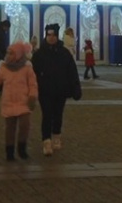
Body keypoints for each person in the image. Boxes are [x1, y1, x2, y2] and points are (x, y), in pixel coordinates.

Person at [0, 41, 38, 161]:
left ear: (18, 54)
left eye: (11, 53)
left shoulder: (27, 69)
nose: (8, 56)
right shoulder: (4, 69)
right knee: (9, 129)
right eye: (8, 53)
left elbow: (33, 85)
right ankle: (9, 151)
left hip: (24, 103)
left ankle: (22, 147)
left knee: (24, 126)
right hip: (9, 103)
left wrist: (32, 97)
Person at [31, 23, 82, 156]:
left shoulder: (64, 53)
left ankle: (56, 136)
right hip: (45, 90)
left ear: (57, 36)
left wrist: (75, 88)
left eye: (54, 35)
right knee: (47, 114)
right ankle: (46, 140)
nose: (51, 37)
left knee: (58, 114)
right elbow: (32, 73)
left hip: (60, 90)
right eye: (49, 35)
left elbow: (72, 71)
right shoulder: (39, 54)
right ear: (46, 35)